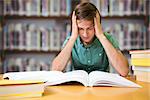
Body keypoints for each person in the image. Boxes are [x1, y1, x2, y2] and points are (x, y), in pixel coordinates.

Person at [51, 2, 129, 76]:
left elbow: (124, 71)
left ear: (97, 25)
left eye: (89, 28)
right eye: (81, 29)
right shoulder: (71, 41)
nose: (85, 34)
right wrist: (73, 37)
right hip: (77, 87)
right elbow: (55, 70)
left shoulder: (107, 39)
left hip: (102, 87)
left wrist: (101, 35)